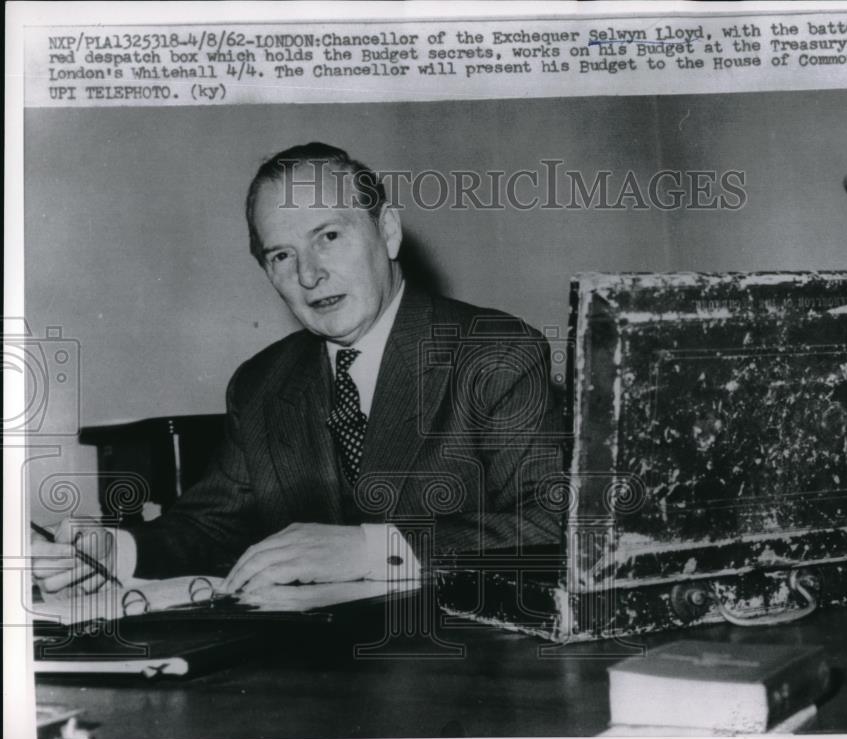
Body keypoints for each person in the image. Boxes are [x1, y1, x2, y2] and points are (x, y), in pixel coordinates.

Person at [32, 143, 563, 602]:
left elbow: (552, 522)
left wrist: (375, 548)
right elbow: (212, 524)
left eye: (329, 236)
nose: (309, 274)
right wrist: (113, 550)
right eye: (281, 255)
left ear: (389, 232)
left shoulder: (494, 352)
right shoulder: (262, 383)